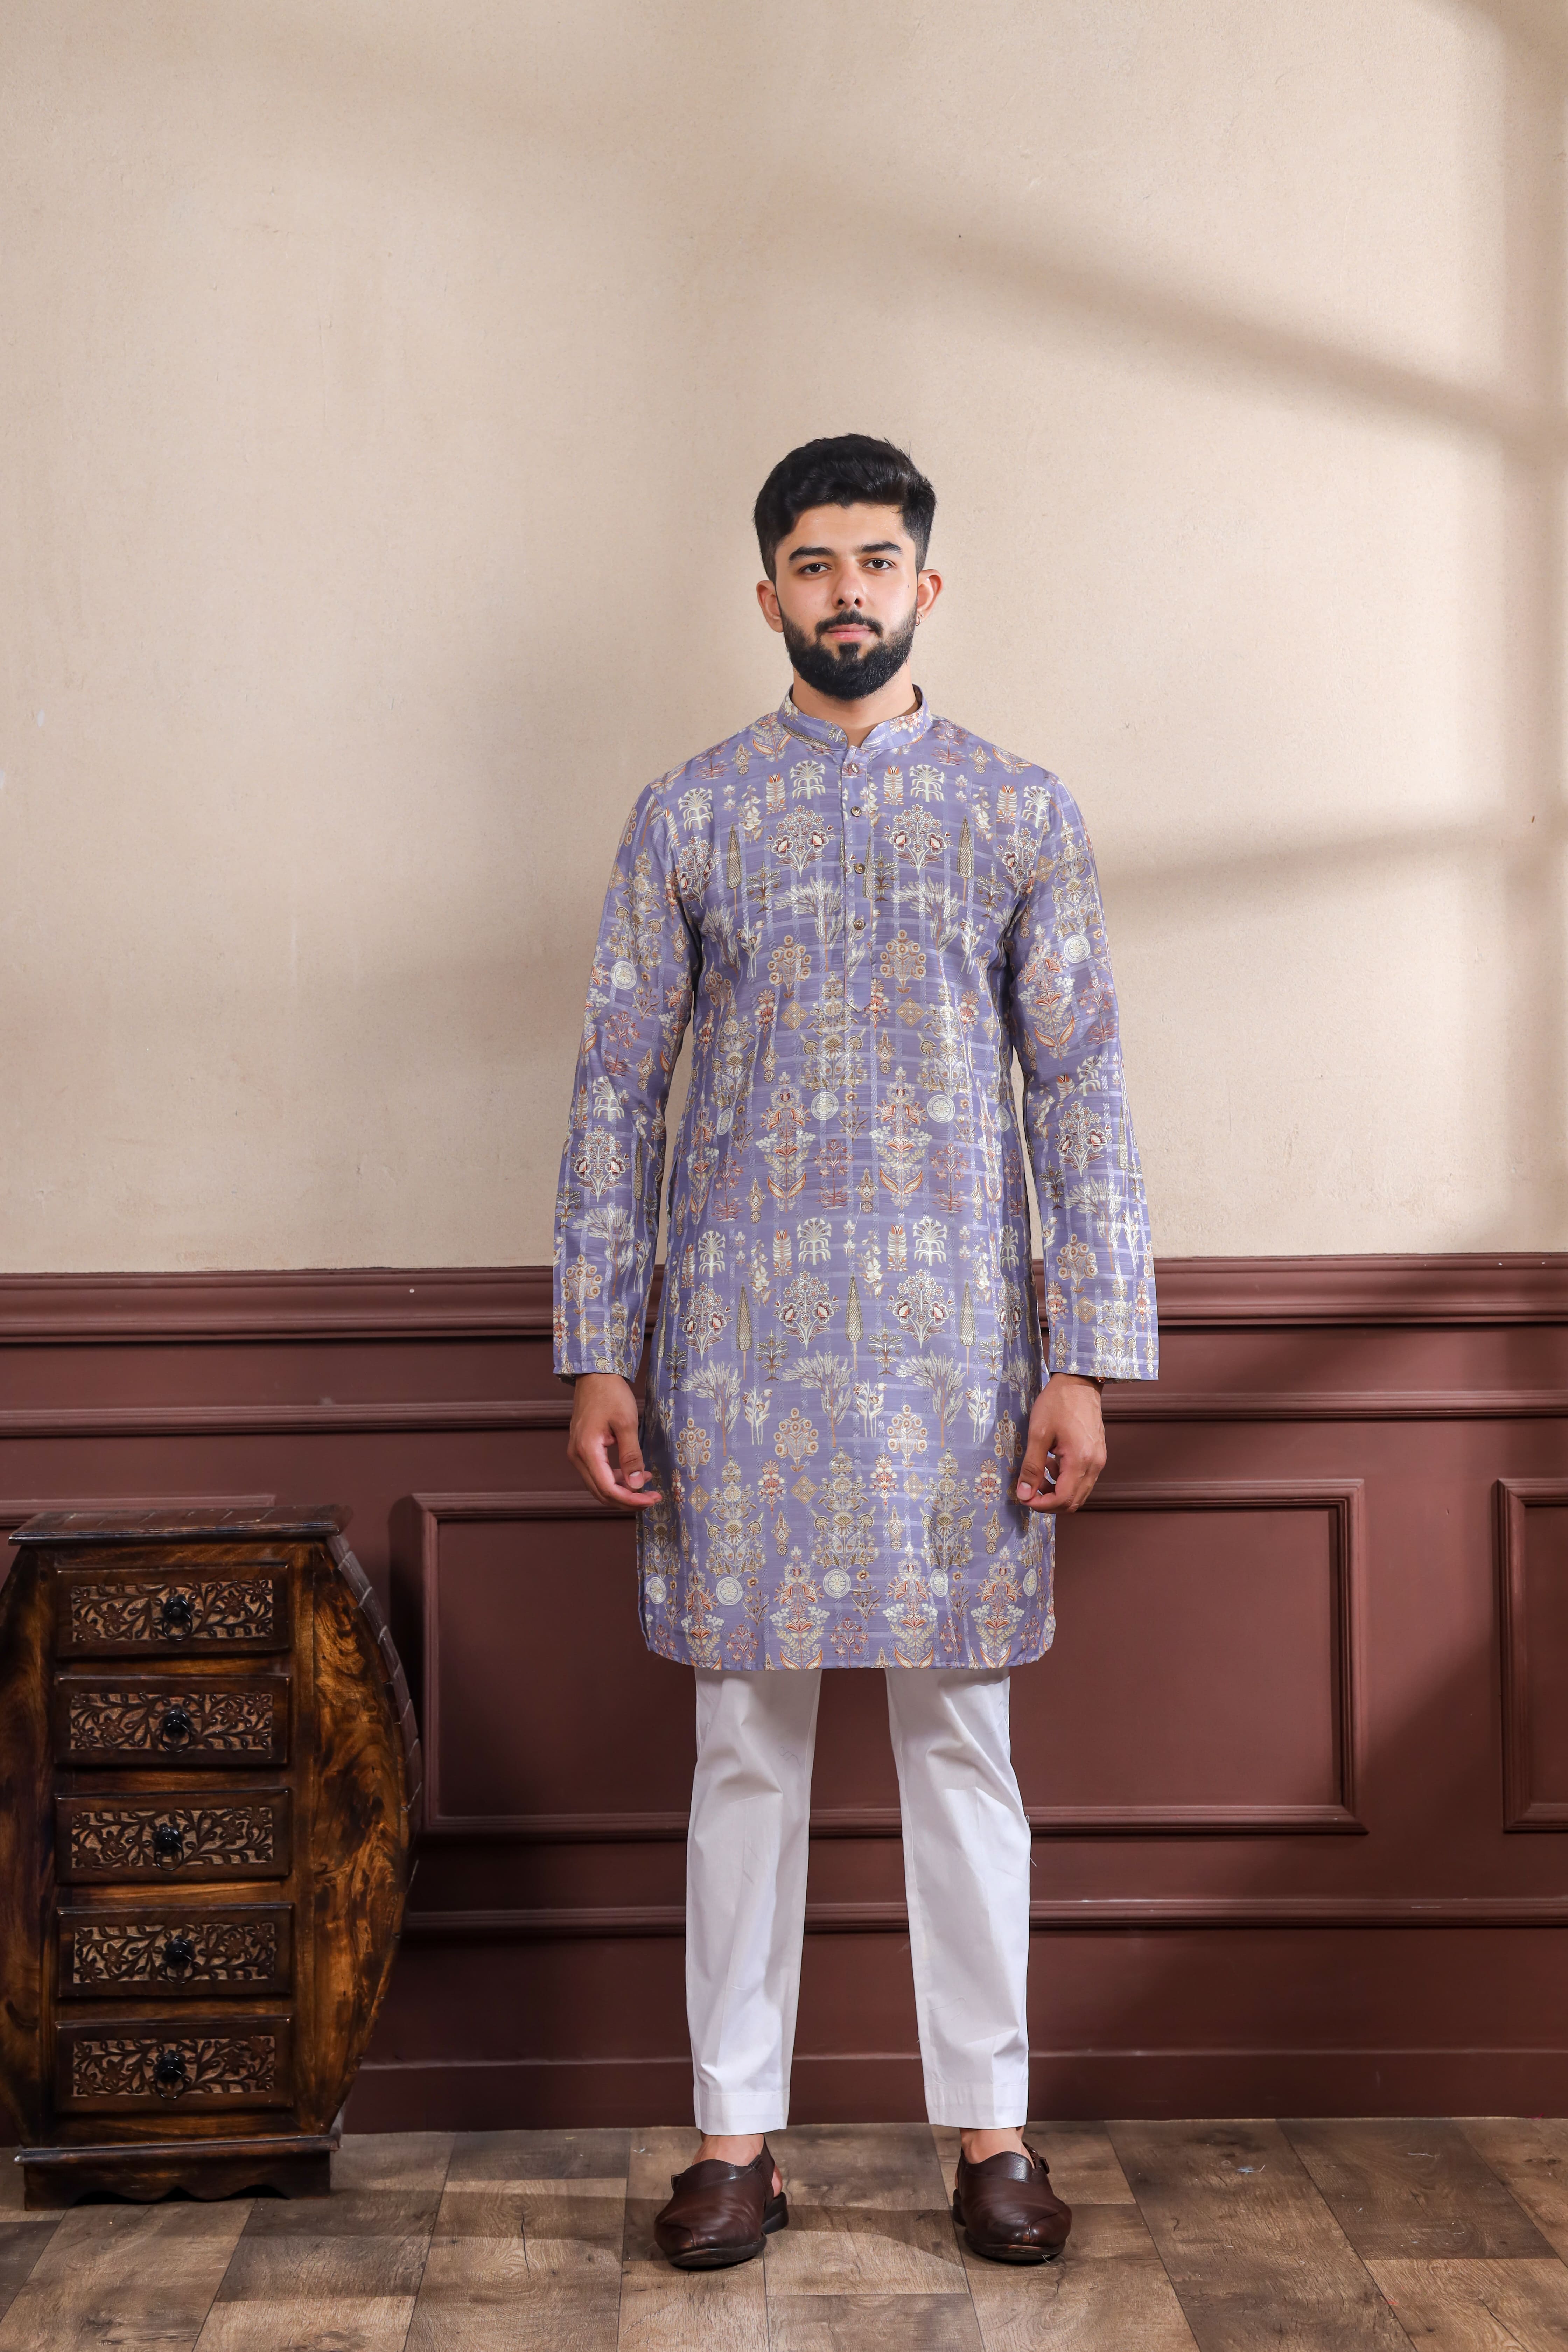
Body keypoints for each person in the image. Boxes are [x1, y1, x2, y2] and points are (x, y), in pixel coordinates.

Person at [554, 433, 1156, 2268]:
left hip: (959, 1360)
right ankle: (734, 2140)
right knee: (746, 1745)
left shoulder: (1019, 814)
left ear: (925, 586)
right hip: (737, 1357)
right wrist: (600, 1348)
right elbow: (616, 1093)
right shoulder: (690, 817)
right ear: (768, 595)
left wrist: (1083, 1356)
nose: (846, 591)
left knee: (962, 1742)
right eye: (813, 563)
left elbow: (1082, 1094)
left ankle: (995, 2133)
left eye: (876, 561)